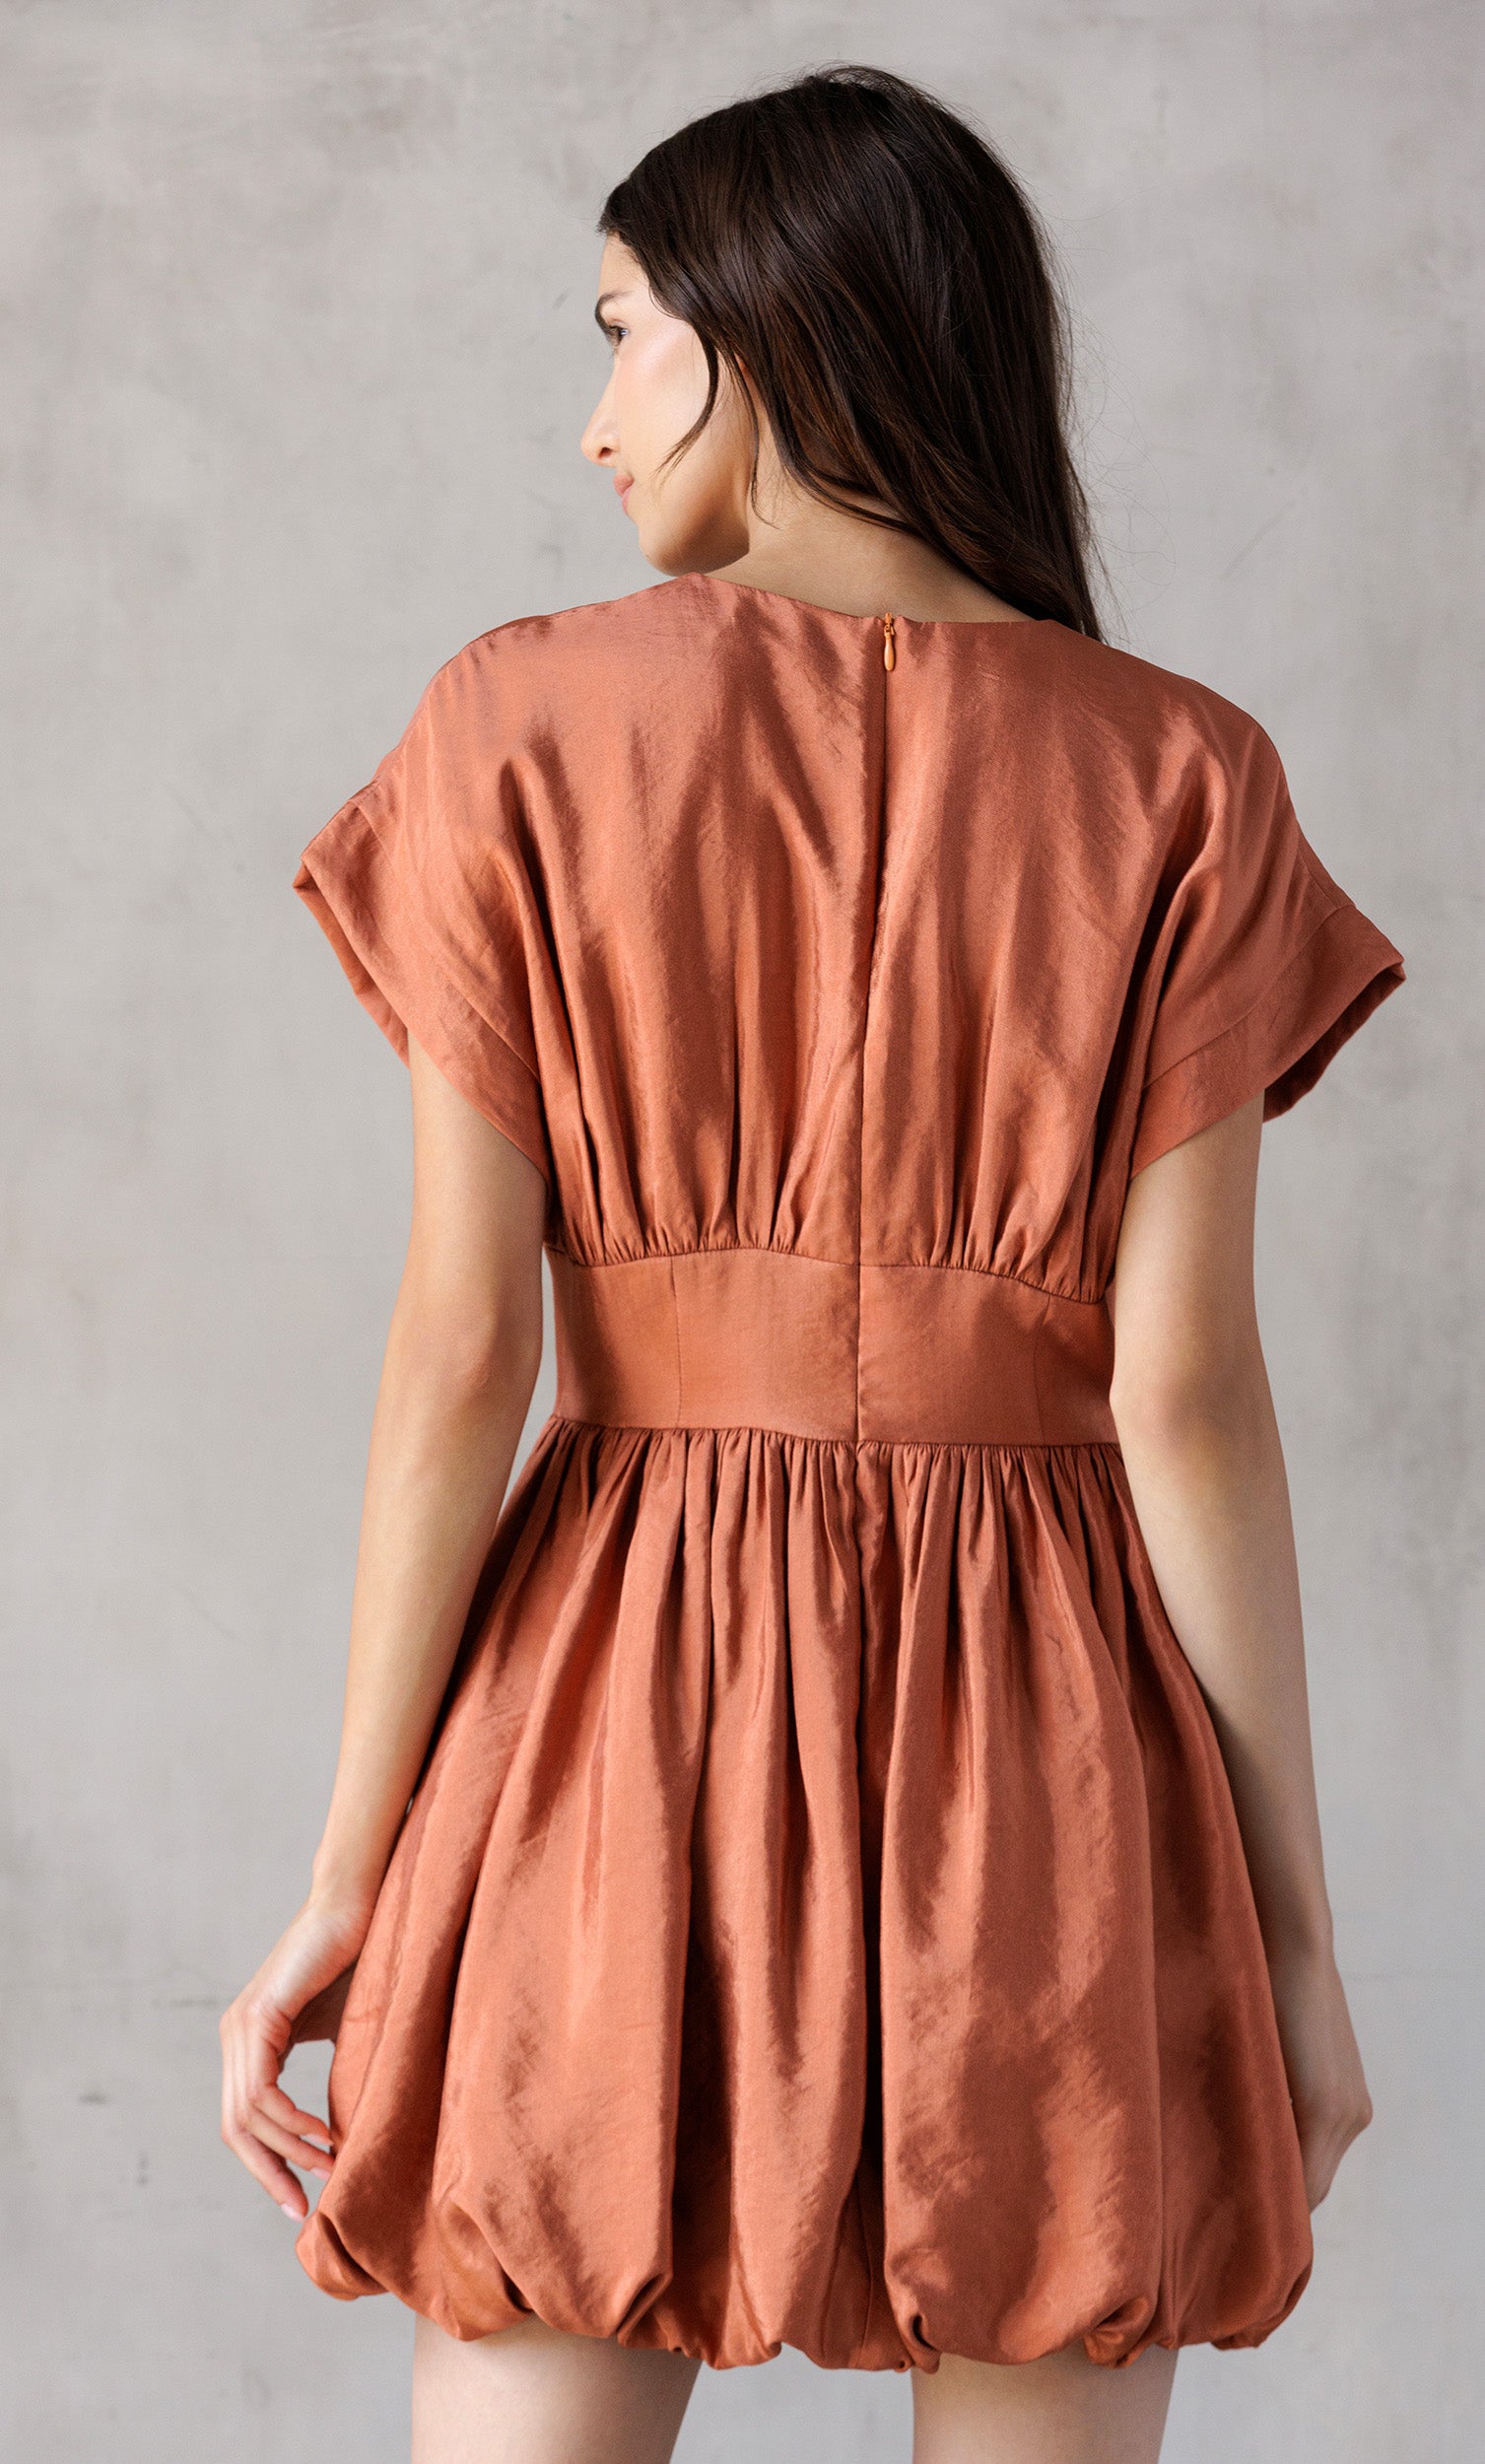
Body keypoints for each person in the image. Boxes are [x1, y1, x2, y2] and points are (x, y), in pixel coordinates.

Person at [219, 64, 1405, 2464]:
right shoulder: (1182, 776)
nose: (592, 419)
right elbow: (1180, 1396)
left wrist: (346, 1877)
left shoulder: (519, 723)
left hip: (610, 1697)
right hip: (1048, 1720)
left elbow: (467, 1346)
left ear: (763, 334)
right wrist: (1290, 1931)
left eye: (622, 329)